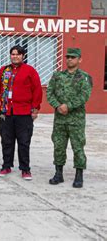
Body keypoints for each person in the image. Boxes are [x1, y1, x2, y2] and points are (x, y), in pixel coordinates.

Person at [0, 45, 42, 180]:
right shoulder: (4, 70)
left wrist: (35, 108)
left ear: (23, 56)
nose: (15, 56)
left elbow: (37, 90)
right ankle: (6, 166)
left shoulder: (30, 71)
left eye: (18, 54)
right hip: (6, 112)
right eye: (13, 54)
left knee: (24, 142)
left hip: (24, 112)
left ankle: (25, 169)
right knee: (6, 141)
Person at [47, 48, 92, 188]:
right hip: (60, 119)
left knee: (78, 147)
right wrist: (58, 106)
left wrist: (69, 106)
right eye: (68, 57)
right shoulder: (57, 76)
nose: (69, 59)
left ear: (79, 59)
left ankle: (79, 175)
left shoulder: (85, 77)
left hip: (76, 120)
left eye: (73, 57)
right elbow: (50, 93)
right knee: (58, 146)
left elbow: (85, 96)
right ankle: (58, 174)